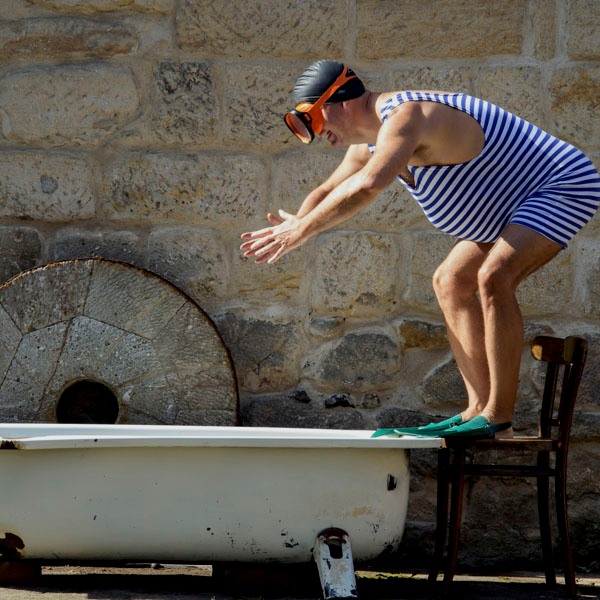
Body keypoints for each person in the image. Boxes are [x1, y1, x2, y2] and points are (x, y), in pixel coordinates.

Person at [240, 60, 600, 439]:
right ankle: (477, 409)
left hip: (560, 185)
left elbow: (368, 186)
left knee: (494, 277)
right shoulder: (369, 145)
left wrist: (301, 232)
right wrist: (297, 222)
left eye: (311, 121)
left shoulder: (406, 116)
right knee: (449, 281)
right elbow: (327, 191)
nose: (315, 136)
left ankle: (498, 419)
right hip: (509, 206)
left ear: (336, 103)